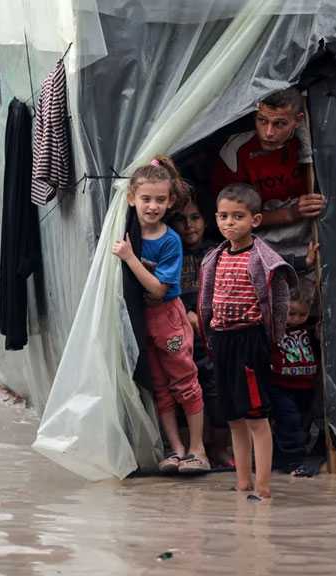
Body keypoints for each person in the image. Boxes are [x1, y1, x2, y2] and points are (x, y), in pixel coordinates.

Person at [200, 183, 296, 500]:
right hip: (222, 339)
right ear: (216, 218)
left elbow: (279, 303)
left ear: (254, 220)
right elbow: (207, 300)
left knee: (256, 415)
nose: (230, 223)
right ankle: (242, 482)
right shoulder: (214, 257)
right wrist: (209, 333)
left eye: (238, 217)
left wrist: (272, 339)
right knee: (233, 416)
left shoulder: (262, 259)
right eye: (224, 216)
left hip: (249, 341)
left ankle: (263, 487)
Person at [113, 157, 209, 474]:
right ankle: (175, 448)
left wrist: (129, 258)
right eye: (146, 199)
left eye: (159, 200)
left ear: (169, 203)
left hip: (168, 322)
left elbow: (157, 289)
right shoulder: (128, 229)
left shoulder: (170, 241)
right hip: (144, 324)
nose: (152, 206)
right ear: (131, 199)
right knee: (159, 386)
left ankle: (198, 449)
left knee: (183, 378)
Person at [211, 88, 325, 262]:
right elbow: (231, 218)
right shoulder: (236, 151)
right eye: (262, 120)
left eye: (280, 124)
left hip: (310, 241)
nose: (269, 132)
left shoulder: (312, 145)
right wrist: (290, 213)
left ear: (298, 120)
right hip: (258, 246)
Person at [169, 195, 232, 467]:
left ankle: (219, 449)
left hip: (214, 332)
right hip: (177, 333)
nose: (189, 225)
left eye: (195, 218)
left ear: (206, 221)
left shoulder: (217, 252)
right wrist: (185, 312)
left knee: (217, 388)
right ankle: (191, 449)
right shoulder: (169, 252)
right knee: (181, 387)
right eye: (181, 220)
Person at [270, 279, 322, 477]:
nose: (296, 319)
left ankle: (282, 458)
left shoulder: (310, 328)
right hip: (280, 385)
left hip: (306, 385)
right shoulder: (274, 328)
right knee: (289, 421)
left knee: (300, 424)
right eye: (291, 313)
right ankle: (293, 462)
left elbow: (318, 347)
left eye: (302, 314)